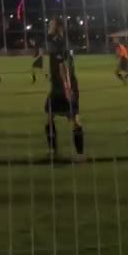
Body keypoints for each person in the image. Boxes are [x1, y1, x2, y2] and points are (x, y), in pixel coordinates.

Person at [44, 18, 85, 161]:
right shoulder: (64, 42)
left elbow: (63, 67)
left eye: (51, 25)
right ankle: (77, 154)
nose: (49, 27)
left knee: (72, 120)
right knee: (53, 117)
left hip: (62, 87)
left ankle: (56, 151)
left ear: (58, 27)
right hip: (65, 85)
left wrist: (67, 87)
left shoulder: (57, 43)